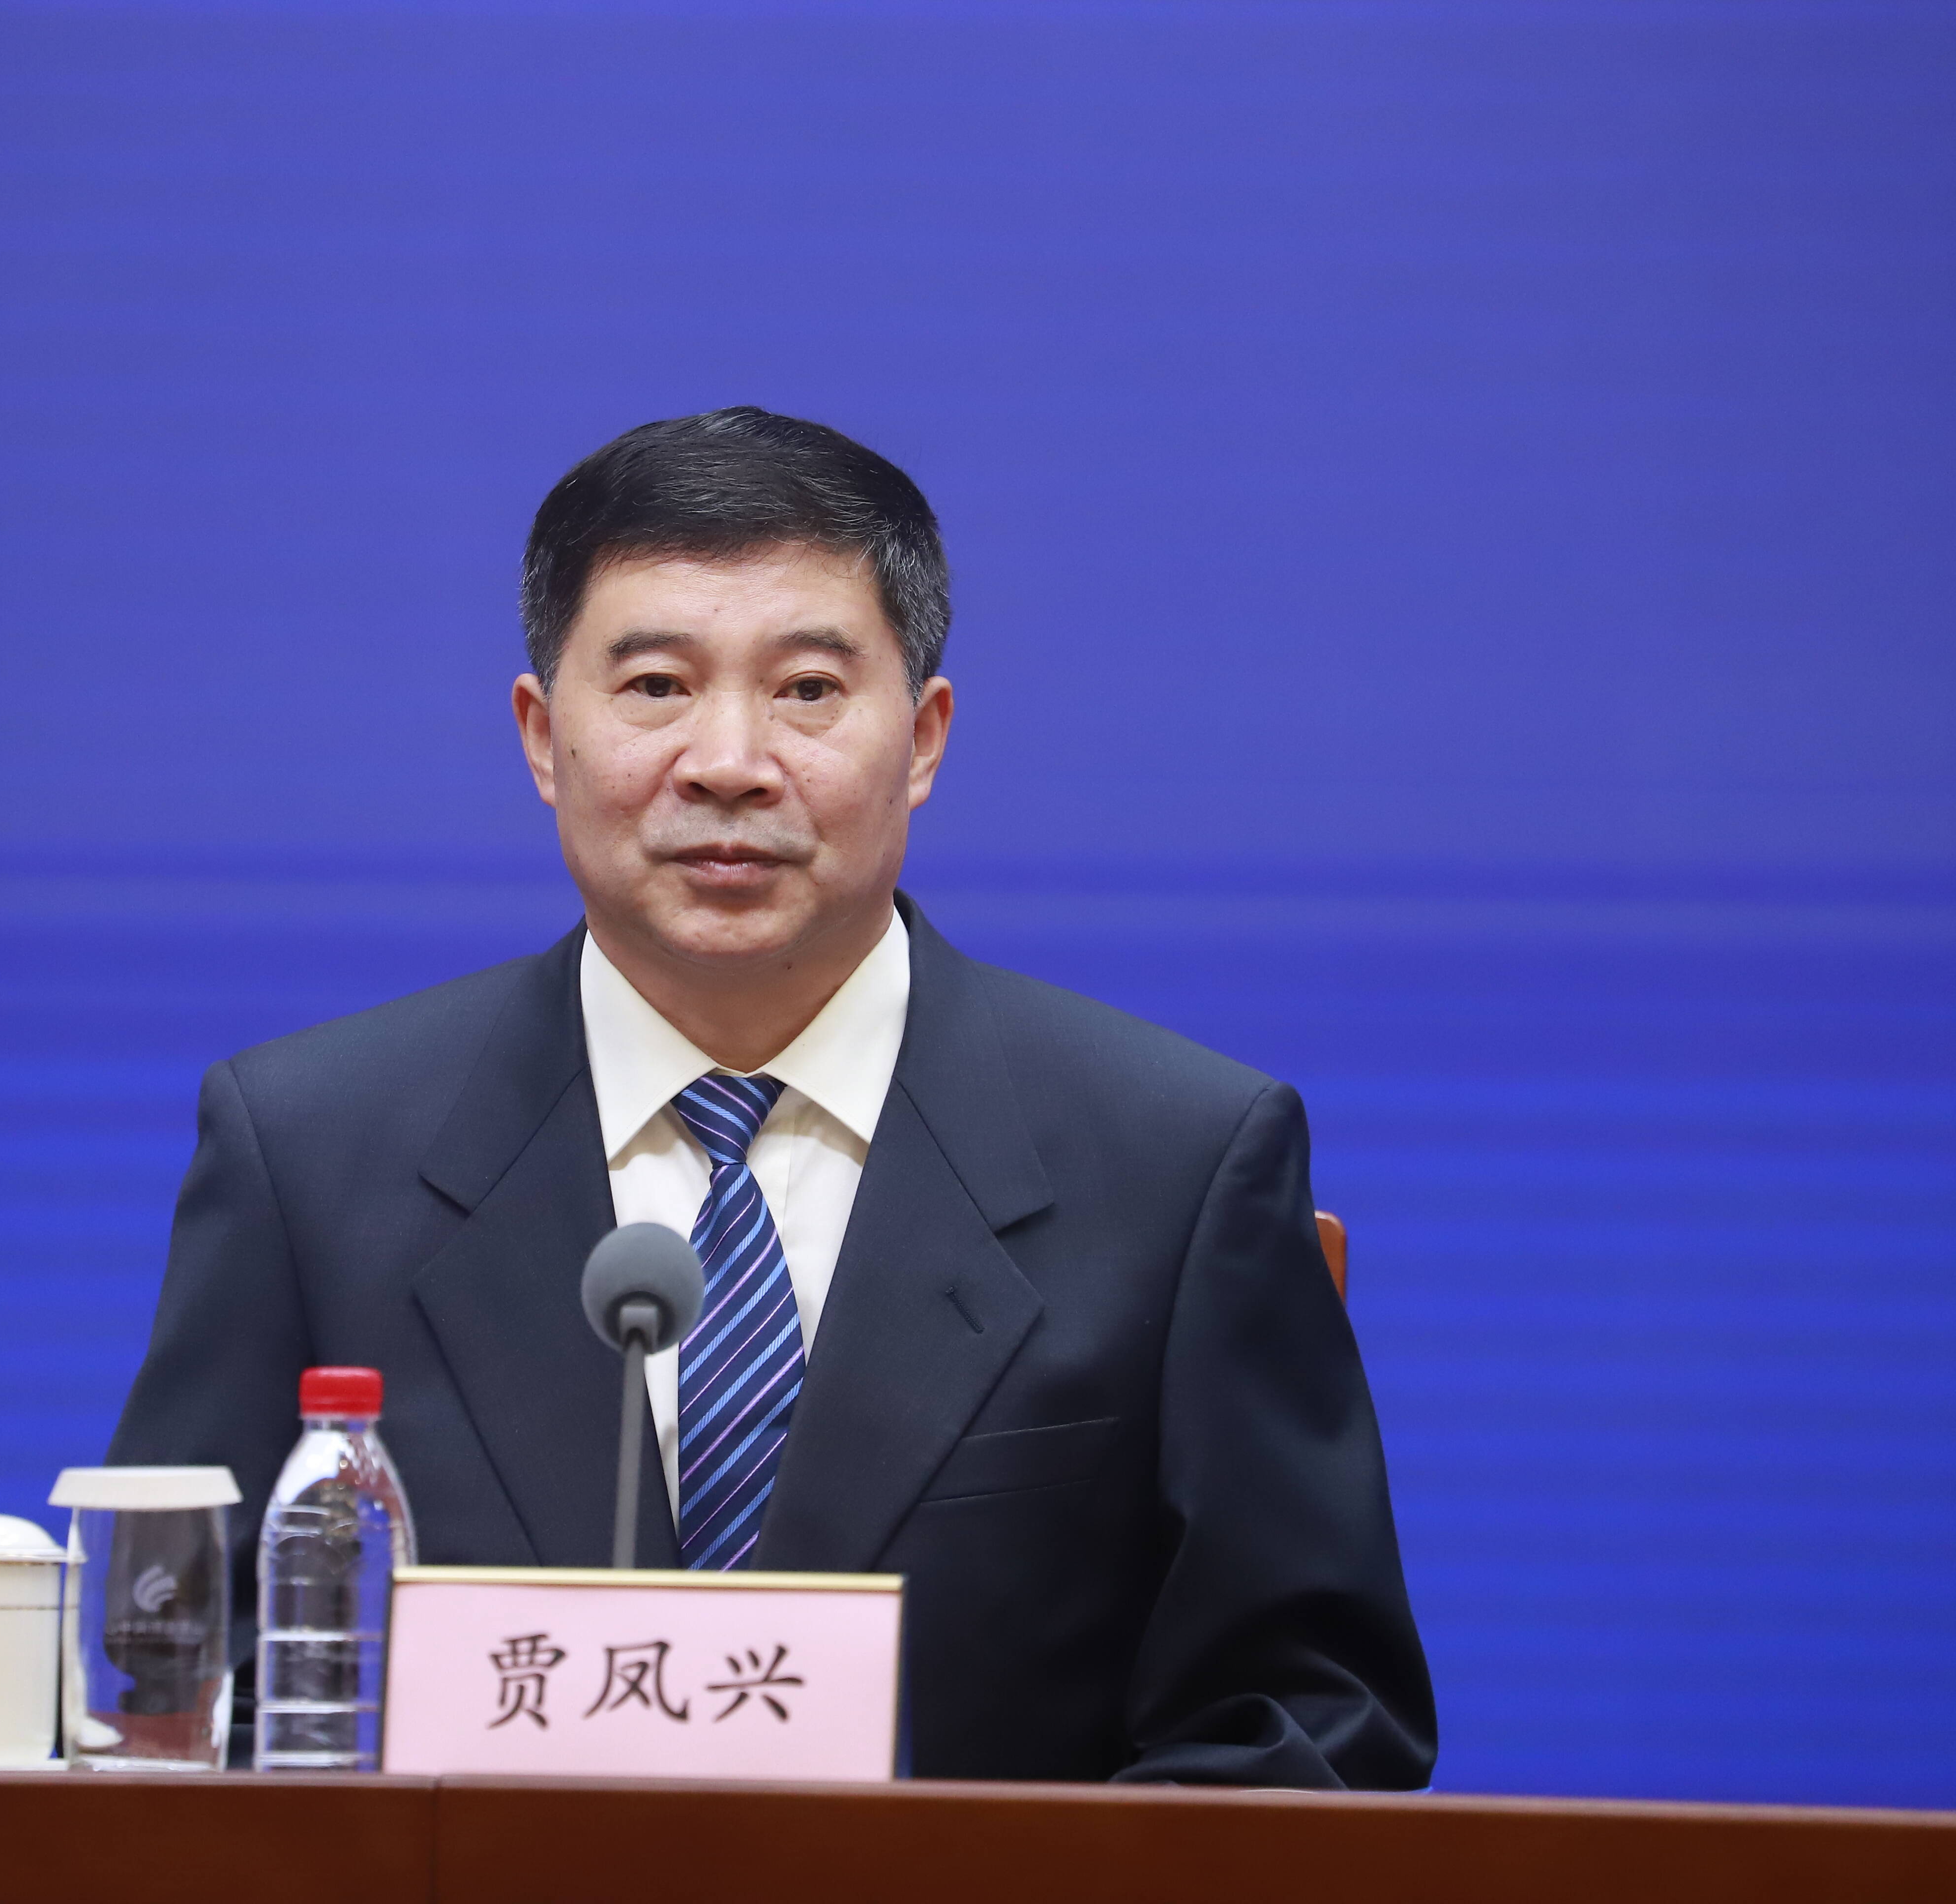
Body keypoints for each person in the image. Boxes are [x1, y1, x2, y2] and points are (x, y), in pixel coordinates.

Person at [109, 407, 1435, 1785]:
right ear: (542, 738)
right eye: (656, 687)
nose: (729, 762)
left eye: (807, 690)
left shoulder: (1177, 1162)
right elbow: (174, 1692)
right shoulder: (308, 1153)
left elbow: (1310, 1725)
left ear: (923, 738)